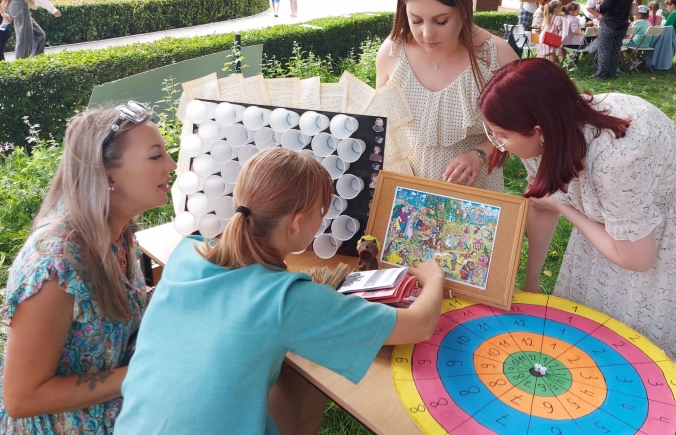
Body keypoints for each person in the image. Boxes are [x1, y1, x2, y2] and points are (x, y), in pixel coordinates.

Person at [115, 148, 445, 435]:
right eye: (321, 212)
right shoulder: (287, 300)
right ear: (297, 223)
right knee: (310, 378)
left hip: (130, 426)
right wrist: (434, 278)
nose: (322, 221)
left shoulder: (188, 252)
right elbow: (418, 324)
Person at [477, 59, 676, 367]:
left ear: (538, 131)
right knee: (591, 323)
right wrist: (532, 281)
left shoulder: (616, 159)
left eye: (500, 134)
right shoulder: (546, 134)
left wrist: (568, 210)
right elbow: (542, 201)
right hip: (615, 220)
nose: (497, 144)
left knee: (643, 343)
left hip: (667, 226)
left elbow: (637, 258)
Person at [0, 102, 176, 432]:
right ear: (108, 176)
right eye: (155, 156)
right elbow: (20, 398)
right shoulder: (56, 265)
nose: (172, 165)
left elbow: (105, 324)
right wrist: (148, 371)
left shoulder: (115, 229)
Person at [375, 0, 519, 192]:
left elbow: (522, 128)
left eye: (441, 21)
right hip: (405, 190)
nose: (427, 34)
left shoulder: (497, 56)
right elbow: (380, 125)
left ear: (464, 9)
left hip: (473, 192)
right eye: (416, 20)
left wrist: (480, 153)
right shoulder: (392, 51)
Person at [587, 0, 634, 79]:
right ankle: (612, 73)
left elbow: (604, 7)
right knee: (615, 50)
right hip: (622, 24)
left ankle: (601, 74)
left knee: (604, 50)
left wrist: (599, 6)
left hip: (609, 23)